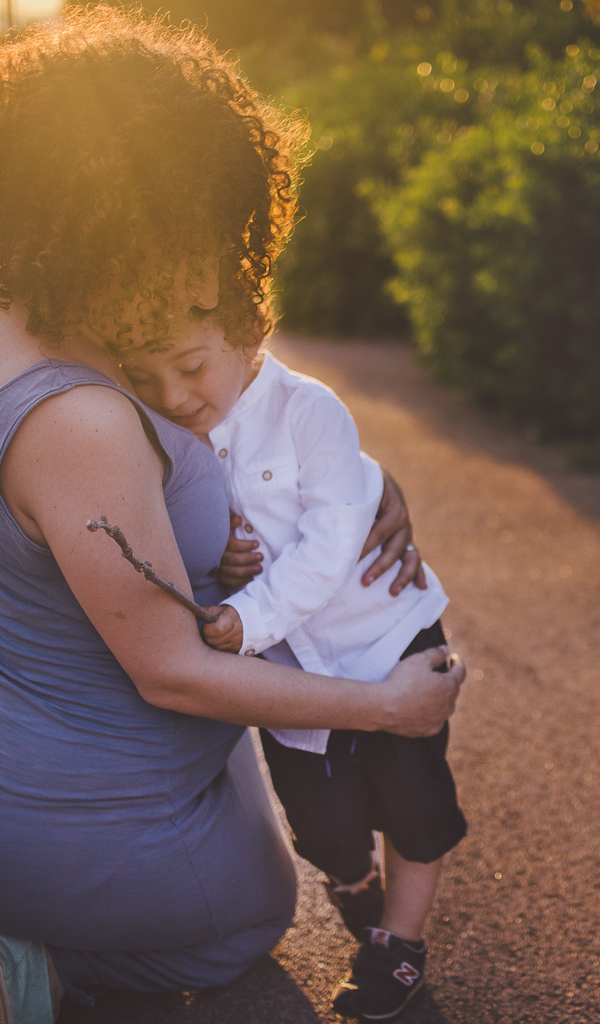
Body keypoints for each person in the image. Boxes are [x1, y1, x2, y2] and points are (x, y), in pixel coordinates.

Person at [0, 10, 465, 1023]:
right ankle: (49, 970)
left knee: (250, 773)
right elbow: (171, 671)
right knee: (251, 915)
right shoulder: (83, 419)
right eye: (182, 212)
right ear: (116, 212)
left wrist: (358, 479)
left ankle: (59, 912)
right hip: (44, 809)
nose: (205, 245)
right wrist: (390, 707)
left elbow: (229, 399)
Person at [122, 323, 468, 1021]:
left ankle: (400, 947)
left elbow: (332, 542)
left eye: (189, 366)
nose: (172, 395)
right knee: (321, 822)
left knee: (415, 807)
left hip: (384, 640)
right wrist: (223, 563)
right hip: (293, 680)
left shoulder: (308, 410)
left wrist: (249, 615)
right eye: (146, 378)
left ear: (245, 334)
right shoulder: (164, 437)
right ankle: (352, 876)